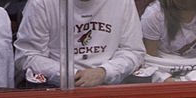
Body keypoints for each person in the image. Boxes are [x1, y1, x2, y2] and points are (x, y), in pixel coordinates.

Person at [14, 0, 144, 87]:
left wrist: (104, 72)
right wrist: (70, 75)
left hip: (110, 87)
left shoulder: (123, 2)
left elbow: (133, 51)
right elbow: (27, 56)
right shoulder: (41, 3)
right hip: (55, 88)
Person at [141, 0, 196, 81]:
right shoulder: (153, 14)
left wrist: (192, 81)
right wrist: (166, 80)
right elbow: (149, 62)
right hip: (163, 73)